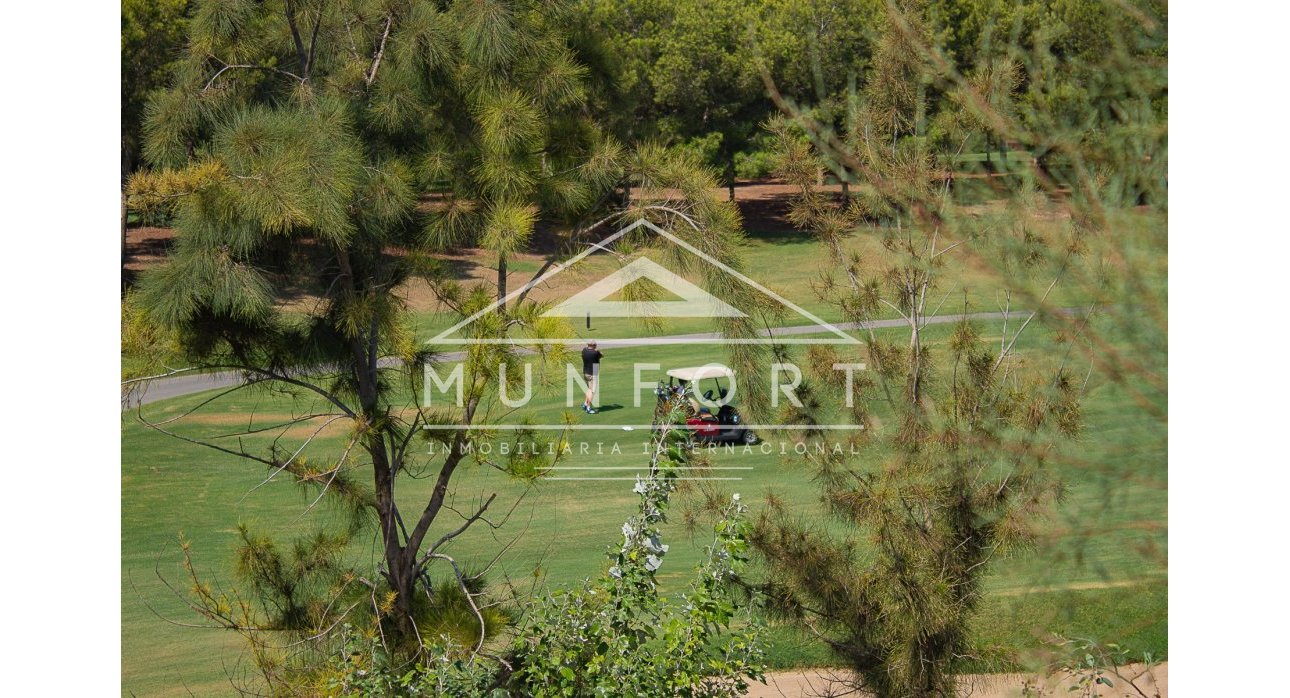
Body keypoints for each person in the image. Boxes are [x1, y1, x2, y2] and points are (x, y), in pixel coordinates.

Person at [581, 341, 603, 414]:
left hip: (586, 372)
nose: (596, 345)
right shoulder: (595, 353)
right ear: (593, 345)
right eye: (595, 345)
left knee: (589, 389)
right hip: (593, 373)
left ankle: (585, 404)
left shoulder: (584, 350)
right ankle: (588, 408)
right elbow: (602, 355)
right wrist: (598, 351)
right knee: (592, 391)